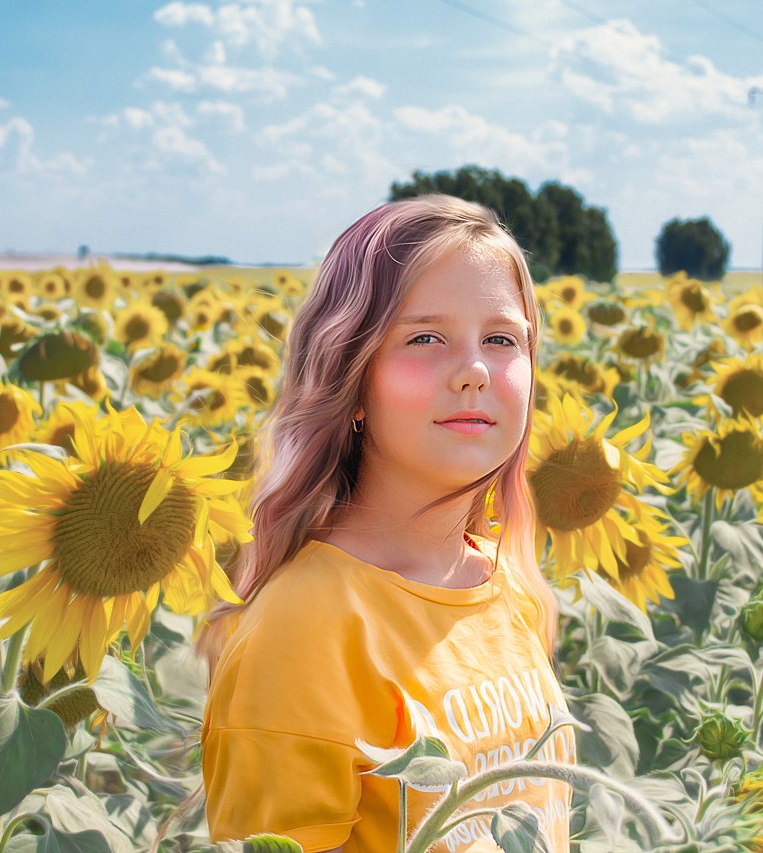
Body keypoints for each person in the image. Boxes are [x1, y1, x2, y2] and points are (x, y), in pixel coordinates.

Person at [199, 195, 577, 852]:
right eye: (424, 338)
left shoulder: (503, 581)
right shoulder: (304, 631)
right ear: (351, 377)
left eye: (501, 338)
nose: (474, 371)